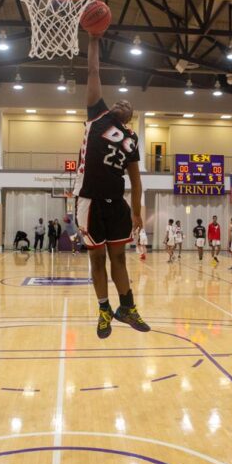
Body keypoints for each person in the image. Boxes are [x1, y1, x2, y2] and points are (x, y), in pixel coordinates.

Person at [75, 30, 150, 340]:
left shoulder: (131, 141)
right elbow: (93, 71)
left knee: (118, 257)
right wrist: (94, 39)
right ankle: (104, 308)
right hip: (89, 200)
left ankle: (127, 307)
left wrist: (136, 212)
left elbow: (135, 180)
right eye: (119, 100)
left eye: (127, 104)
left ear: (130, 117)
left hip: (117, 203)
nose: (122, 102)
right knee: (96, 258)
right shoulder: (98, 114)